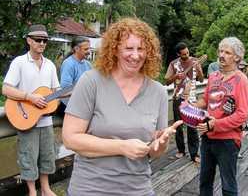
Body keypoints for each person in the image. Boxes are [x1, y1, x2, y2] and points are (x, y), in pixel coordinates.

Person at [62, 18, 183, 196]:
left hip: (138, 189)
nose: (135, 55)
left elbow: (154, 152)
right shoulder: (91, 81)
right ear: (115, 49)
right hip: (91, 188)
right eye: (129, 48)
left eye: (141, 49)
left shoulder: (158, 92)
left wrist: (161, 144)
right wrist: (121, 147)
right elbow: (70, 138)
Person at [187, 37, 248, 196]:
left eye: (227, 52)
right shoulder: (214, 76)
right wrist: (191, 104)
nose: (222, 55)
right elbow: (206, 100)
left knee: (228, 185)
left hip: (228, 141)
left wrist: (214, 124)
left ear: (237, 57)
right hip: (207, 137)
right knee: (204, 181)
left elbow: (242, 114)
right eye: (221, 51)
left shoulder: (241, 80)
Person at [2, 25, 59, 196]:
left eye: (45, 40)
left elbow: (56, 91)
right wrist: (30, 97)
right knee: (28, 157)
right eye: (38, 40)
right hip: (25, 119)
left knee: (47, 156)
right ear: (29, 40)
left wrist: (57, 98)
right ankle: (32, 191)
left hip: (46, 120)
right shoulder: (19, 62)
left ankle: (46, 189)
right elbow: (6, 89)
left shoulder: (50, 65)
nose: (42, 43)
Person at [164, 42, 204, 162]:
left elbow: (201, 80)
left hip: (191, 98)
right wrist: (176, 76)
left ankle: (194, 154)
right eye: (184, 54)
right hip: (177, 97)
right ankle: (181, 150)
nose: (187, 55)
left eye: (187, 52)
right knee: (178, 125)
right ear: (178, 54)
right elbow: (166, 82)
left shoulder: (195, 61)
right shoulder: (173, 64)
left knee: (192, 126)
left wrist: (199, 70)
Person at [57, 37, 92, 115]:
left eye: (89, 49)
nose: (89, 52)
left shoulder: (88, 64)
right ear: (76, 49)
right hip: (69, 105)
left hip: (83, 103)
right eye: (86, 49)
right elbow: (66, 89)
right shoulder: (69, 64)